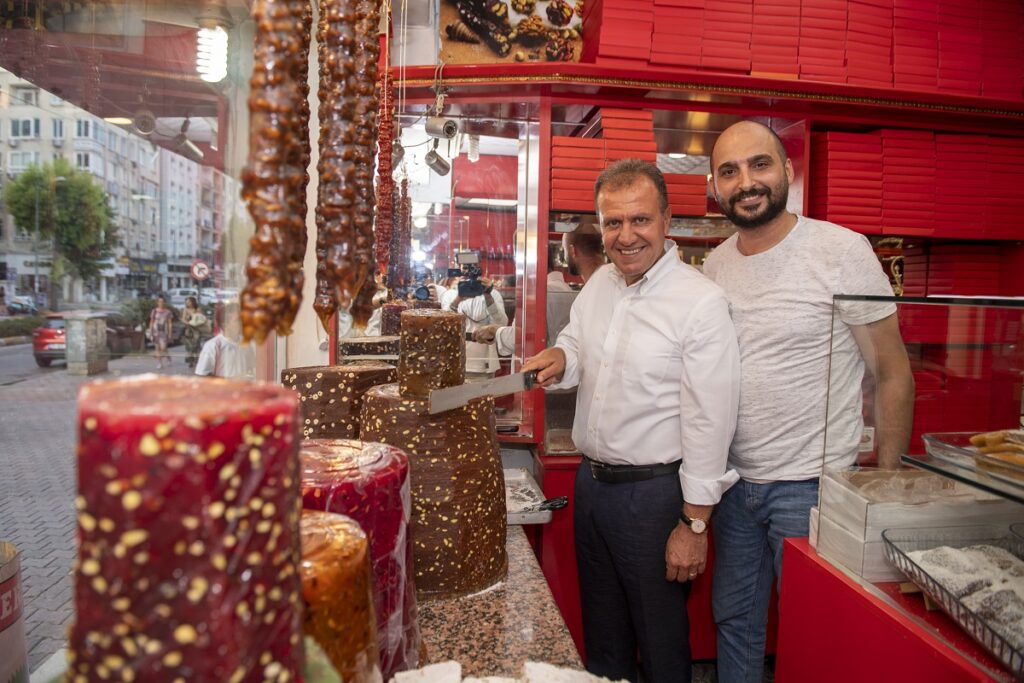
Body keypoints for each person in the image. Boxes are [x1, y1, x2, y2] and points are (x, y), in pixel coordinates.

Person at [702, 120, 915, 683]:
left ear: (788, 172)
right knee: (734, 620)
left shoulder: (842, 250)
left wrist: (887, 482)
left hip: (813, 486)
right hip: (732, 485)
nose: (746, 181)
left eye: (759, 164)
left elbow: (891, 372)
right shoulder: (715, 265)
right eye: (730, 171)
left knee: (812, 627)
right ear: (714, 186)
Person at [521, 158, 740, 683]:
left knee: (660, 641)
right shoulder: (600, 286)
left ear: (665, 220)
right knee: (604, 634)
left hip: (655, 497)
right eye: (613, 223)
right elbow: (577, 344)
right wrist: (561, 356)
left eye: (639, 220)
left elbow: (712, 422)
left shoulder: (701, 303)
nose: (626, 236)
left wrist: (694, 524)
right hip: (592, 486)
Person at [440, 276, 508, 379]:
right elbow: (443, 325)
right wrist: (459, 298)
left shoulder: (492, 294)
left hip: (483, 361)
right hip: (455, 360)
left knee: (483, 394)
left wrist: (488, 296)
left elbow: (501, 323)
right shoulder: (450, 294)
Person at [195, 303, 256, 379]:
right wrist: (231, 380)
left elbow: (253, 368)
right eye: (238, 320)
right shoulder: (213, 345)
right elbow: (201, 376)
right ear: (225, 324)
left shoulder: (248, 343)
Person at [180, 296, 210, 369]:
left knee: (196, 345)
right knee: (189, 346)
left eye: (189, 301)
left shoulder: (198, 309)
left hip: (197, 330)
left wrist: (197, 322)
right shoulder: (185, 310)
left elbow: (202, 318)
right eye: (186, 302)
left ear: (193, 302)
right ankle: (191, 361)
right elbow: (183, 319)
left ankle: (197, 360)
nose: (187, 303)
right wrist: (188, 322)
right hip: (189, 330)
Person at [148, 295, 173, 369]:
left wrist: (170, 333)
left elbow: (170, 323)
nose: (161, 303)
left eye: (162, 301)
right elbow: (151, 322)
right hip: (156, 331)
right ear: (157, 303)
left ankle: (168, 357)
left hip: (164, 331)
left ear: (165, 303)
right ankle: (159, 363)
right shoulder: (154, 311)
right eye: (159, 301)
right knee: (157, 347)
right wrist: (150, 331)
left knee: (163, 347)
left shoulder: (168, 312)